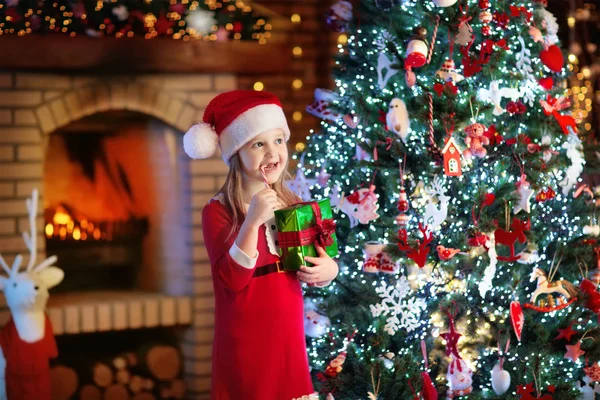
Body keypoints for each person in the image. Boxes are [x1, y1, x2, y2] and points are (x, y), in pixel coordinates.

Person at [183, 90, 339, 400]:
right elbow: (231, 279)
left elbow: (319, 259)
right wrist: (252, 222)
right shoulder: (218, 210)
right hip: (246, 338)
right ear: (236, 153)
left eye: (278, 140)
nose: (272, 153)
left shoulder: (295, 205)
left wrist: (329, 270)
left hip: (288, 336)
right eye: (258, 144)